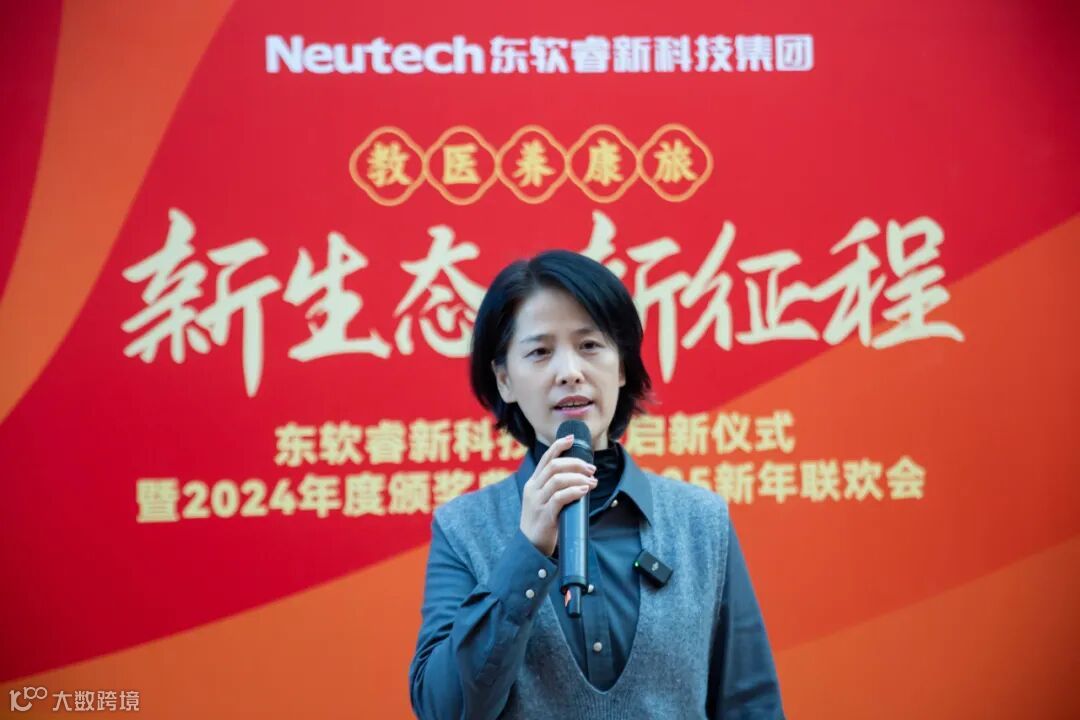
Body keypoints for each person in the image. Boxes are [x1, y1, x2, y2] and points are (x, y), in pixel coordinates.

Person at [408, 250, 785, 719]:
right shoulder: (463, 528)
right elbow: (443, 709)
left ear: (622, 367)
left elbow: (751, 704)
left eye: (589, 345)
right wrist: (527, 553)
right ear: (504, 380)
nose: (569, 371)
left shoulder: (701, 521)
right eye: (540, 352)